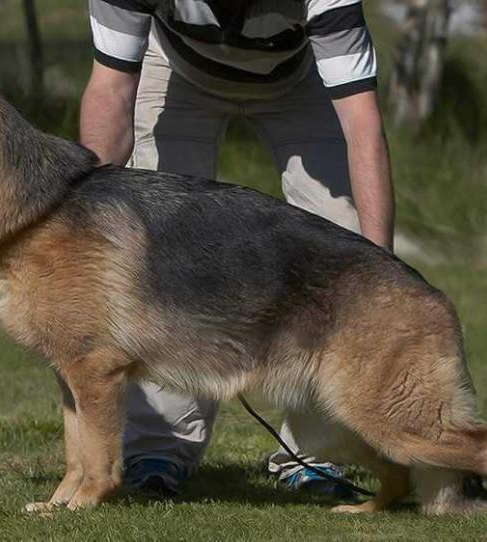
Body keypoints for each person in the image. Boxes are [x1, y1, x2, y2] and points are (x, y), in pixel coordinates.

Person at [79, 0, 394, 496]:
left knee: (344, 249)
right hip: (177, 70)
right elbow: (111, 89)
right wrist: (89, 218)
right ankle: (159, 449)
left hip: (297, 75)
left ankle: (314, 455)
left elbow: (363, 128)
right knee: (159, 250)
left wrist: (382, 276)